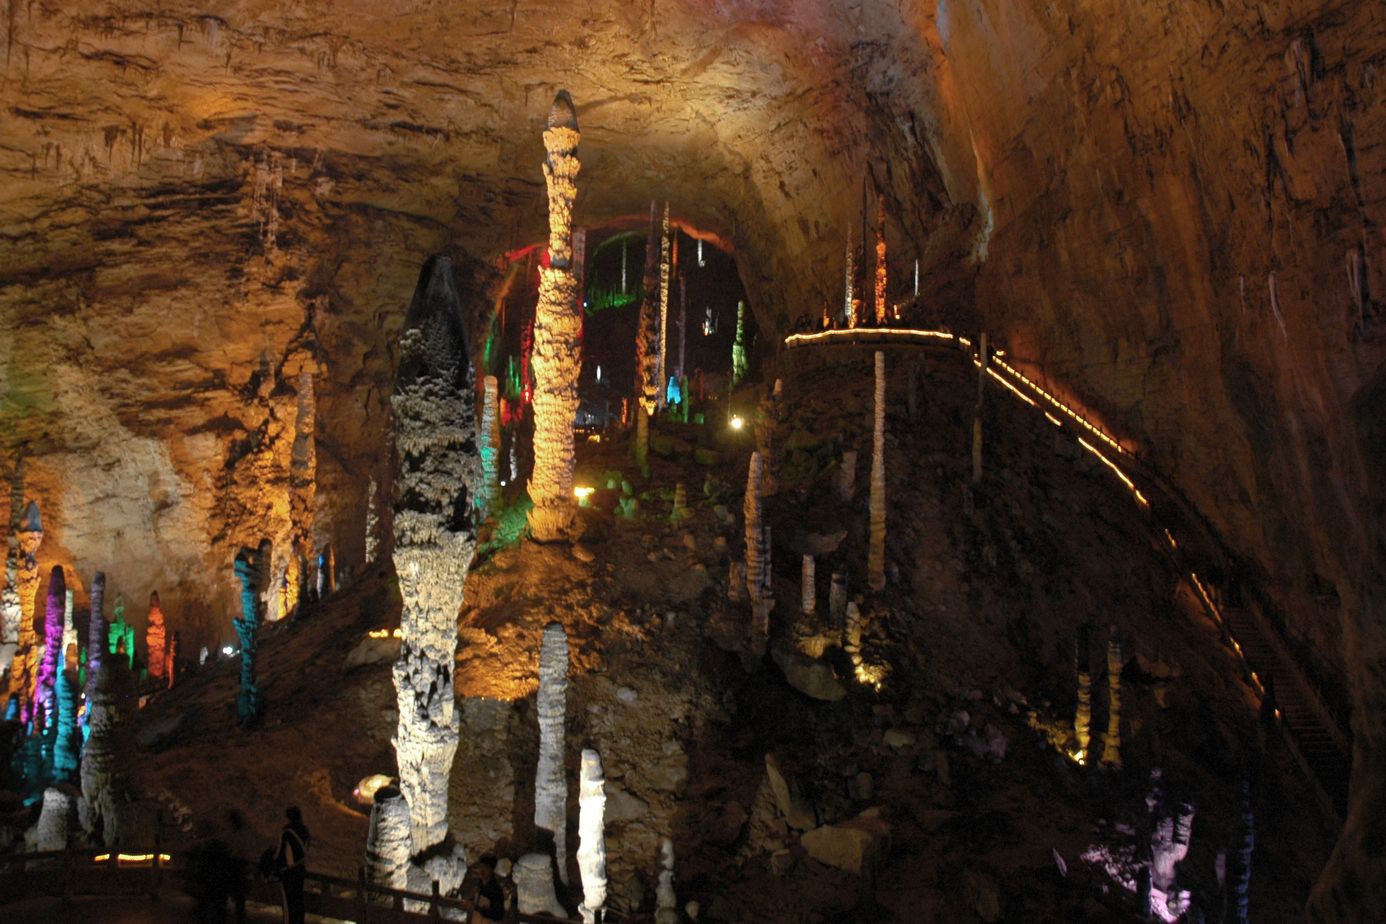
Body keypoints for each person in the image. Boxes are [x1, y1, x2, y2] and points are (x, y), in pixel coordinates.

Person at [275, 805, 310, 924]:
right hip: (300, 871)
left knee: (288, 904)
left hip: (288, 873)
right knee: (298, 901)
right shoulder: (305, 830)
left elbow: (279, 853)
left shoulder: (286, 832)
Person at [470, 854, 506, 922]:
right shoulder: (479, 887)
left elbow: (499, 914)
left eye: (486, 867)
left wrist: (481, 911)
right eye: (481, 867)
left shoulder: (496, 890)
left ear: (492, 870)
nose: (482, 870)